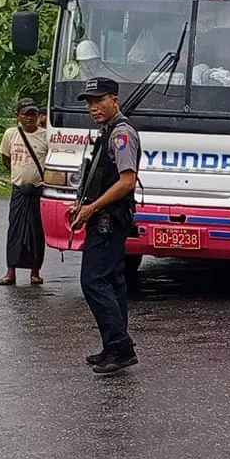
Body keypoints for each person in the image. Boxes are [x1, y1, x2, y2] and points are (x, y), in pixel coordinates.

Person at [71, 77, 141, 375]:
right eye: (89, 102)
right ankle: (113, 346)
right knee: (112, 281)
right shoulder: (109, 131)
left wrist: (91, 208)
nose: (93, 107)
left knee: (93, 281)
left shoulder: (121, 134)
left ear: (115, 99)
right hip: (105, 217)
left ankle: (120, 346)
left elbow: (127, 181)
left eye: (99, 100)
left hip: (108, 220)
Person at [0, 102, 49, 286]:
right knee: (15, 231)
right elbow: (5, 158)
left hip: (37, 190)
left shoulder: (46, 136)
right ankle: (10, 271)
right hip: (18, 190)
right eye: (25, 114)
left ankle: (35, 272)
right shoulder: (11, 134)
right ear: (18, 116)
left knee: (36, 231)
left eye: (33, 114)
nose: (29, 118)